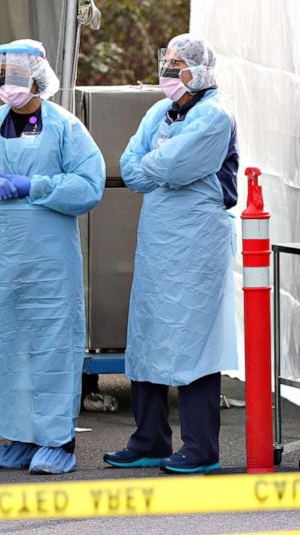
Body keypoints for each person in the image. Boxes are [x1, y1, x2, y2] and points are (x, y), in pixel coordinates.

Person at [0, 39, 105, 475]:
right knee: (2, 344)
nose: (10, 85)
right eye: (4, 77)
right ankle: (18, 434)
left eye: (17, 77)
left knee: (51, 344)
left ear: (38, 78)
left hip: (49, 265)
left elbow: (90, 185)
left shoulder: (66, 129)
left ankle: (57, 440)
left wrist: (37, 187)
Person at [103, 34, 239, 474]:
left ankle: (201, 448)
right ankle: (149, 439)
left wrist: (156, 162)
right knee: (147, 333)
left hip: (198, 241)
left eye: (178, 63)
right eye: (166, 61)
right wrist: (158, 164)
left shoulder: (214, 118)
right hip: (158, 239)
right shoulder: (157, 112)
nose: (168, 70)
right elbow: (131, 168)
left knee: (194, 337)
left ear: (200, 70)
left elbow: (171, 167)